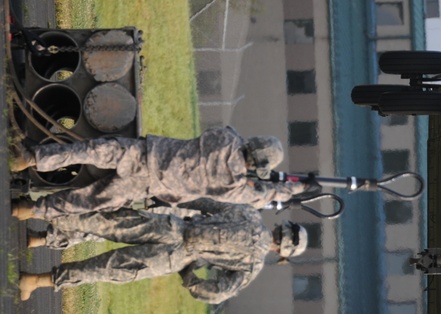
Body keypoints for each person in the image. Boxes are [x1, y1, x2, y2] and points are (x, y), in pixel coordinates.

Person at [18, 199, 308, 303]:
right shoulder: (253, 266)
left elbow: (204, 202)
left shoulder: (249, 214)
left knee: (105, 223)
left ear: (280, 228)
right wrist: (189, 278)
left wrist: (171, 201)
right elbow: (217, 292)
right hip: (174, 259)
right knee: (108, 268)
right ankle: (35, 281)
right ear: (282, 252)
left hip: (172, 226)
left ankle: (33, 212)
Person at [10, 127, 313, 220]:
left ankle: (32, 158)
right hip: (147, 184)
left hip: (147, 152)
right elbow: (256, 199)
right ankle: (32, 209)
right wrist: (293, 190)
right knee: (89, 201)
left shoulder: (227, 138)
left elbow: (225, 134)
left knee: (88, 150)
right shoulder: (232, 183)